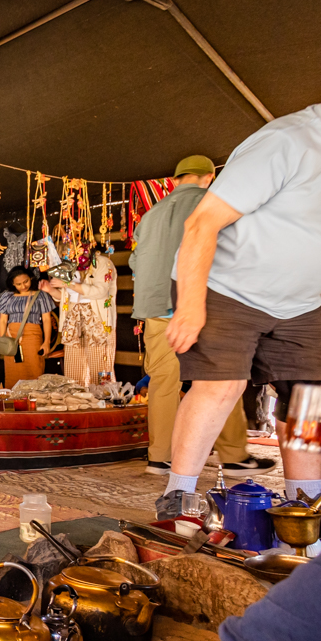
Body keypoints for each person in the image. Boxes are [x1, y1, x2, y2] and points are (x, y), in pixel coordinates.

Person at [160, 47, 321, 517]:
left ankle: (304, 507)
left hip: (299, 301)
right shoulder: (286, 142)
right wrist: (192, 304)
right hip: (227, 288)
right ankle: (178, 499)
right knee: (222, 385)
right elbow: (202, 223)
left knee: (313, 397)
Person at [129, 154, 274, 478]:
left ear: (176, 180)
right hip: (201, 303)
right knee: (221, 378)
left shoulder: (151, 215)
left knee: (163, 384)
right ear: (209, 177)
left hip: (156, 306)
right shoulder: (215, 203)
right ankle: (233, 455)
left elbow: (136, 262)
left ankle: (160, 457)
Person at [0, 267, 56, 388]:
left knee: (34, 367)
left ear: (31, 278)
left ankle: (34, 396)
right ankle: (14, 396)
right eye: (18, 284)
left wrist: (46, 342)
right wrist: (2, 339)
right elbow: (3, 320)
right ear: (12, 283)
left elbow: (47, 319)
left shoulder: (40, 295)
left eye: (26, 281)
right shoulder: (7, 296)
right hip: (11, 337)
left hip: (32, 336)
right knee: (13, 370)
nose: (23, 286)